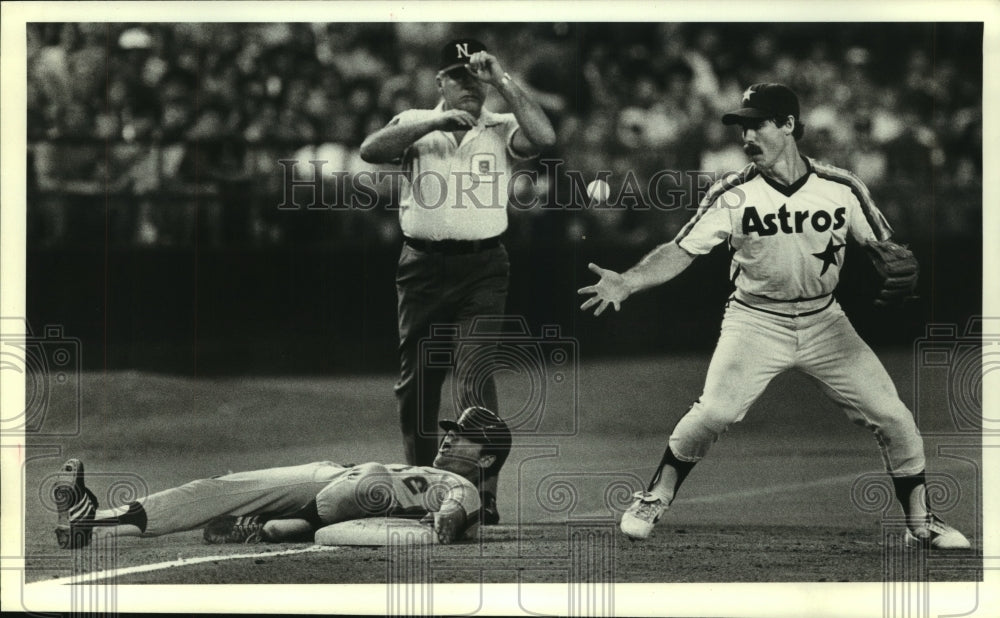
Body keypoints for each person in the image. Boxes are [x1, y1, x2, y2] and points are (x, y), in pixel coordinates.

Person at [578, 83, 970, 550]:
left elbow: (889, 250)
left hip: (827, 322)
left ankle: (921, 522)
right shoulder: (734, 191)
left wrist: (903, 262)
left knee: (895, 418)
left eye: (756, 123)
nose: (746, 135)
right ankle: (654, 496)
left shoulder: (842, 187)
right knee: (716, 411)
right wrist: (627, 280)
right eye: (742, 125)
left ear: (788, 125)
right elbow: (680, 249)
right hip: (755, 321)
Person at [359, 38, 555, 523]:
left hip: (482, 267)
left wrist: (503, 79)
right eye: (459, 77)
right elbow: (370, 150)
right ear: (440, 82)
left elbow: (544, 138)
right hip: (422, 267)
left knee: (473, 376)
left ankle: (477, 491)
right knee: (417, 385)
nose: (470, 86)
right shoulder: (415, 122)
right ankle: (422, 483)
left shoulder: (501, 124)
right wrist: (435, 120)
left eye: (476, 76)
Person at [53, 407, 511, 549]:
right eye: (450, 432)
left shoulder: (465, 486)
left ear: (487, 461)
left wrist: (448, 521)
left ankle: (269, 526)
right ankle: (91, 520)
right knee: (217, 489)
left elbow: (458, 509)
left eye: (464, 439)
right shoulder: (432, 472)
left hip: (354, 488)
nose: (449, 440)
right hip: (331, 476)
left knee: (363, 485)